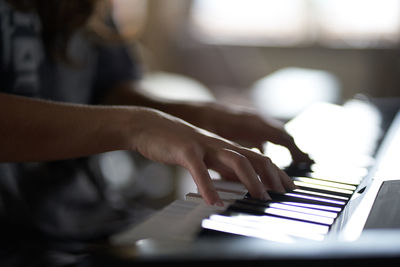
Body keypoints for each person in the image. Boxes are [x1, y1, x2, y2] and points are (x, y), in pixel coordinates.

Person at [0, 0, 313, 241]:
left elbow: (107, 91)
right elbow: (128, 121)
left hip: (84, 221)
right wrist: (136, 126)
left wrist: (199, 117)